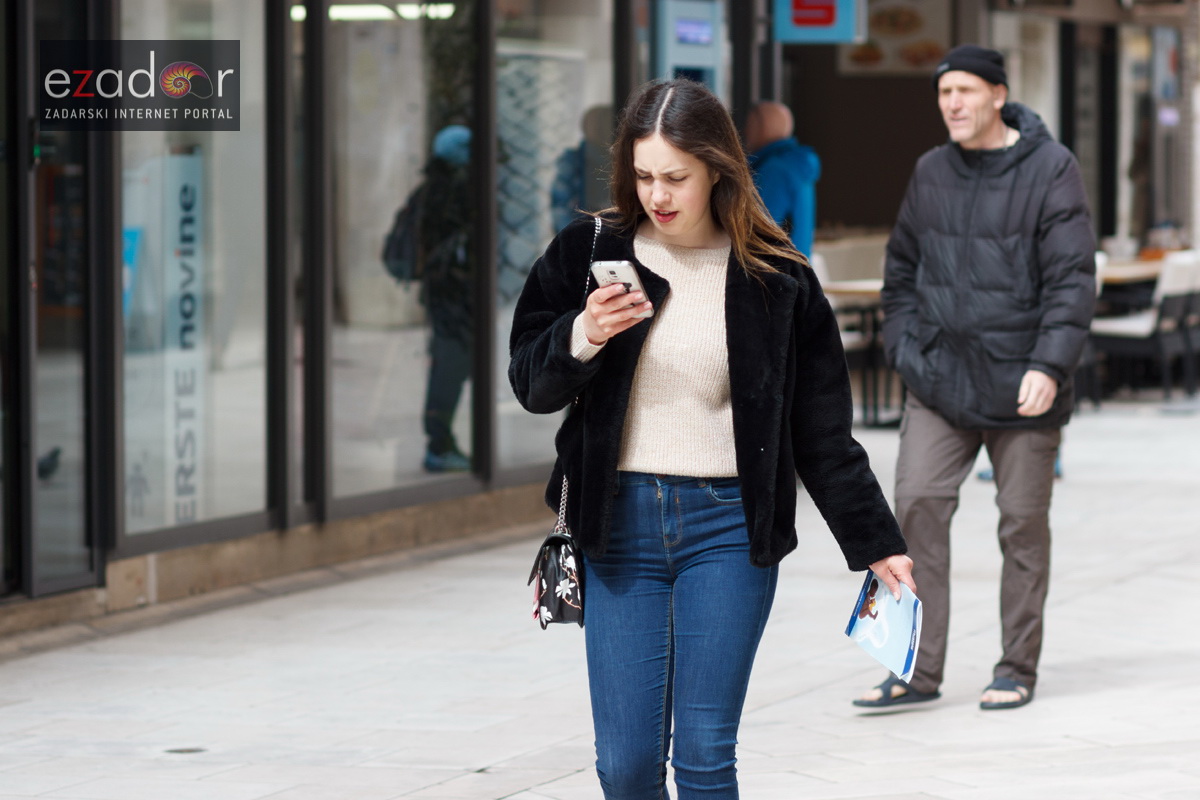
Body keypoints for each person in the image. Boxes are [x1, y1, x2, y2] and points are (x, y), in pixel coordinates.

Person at [510, 78, 914, 798]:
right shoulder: (588, 252)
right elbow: (530, 385)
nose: (657, 195)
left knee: (702, 756)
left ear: (717, 170)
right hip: (618, 522)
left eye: (675, 177)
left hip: (728, 528)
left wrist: (876, 540)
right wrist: (582, 334)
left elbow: (821, 428)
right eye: (642, 176)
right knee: (626, 765)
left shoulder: (775, 274)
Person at [855, 45, 1095, 712]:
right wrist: (905, 347)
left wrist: (1050, 365)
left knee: (1021, 525)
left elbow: (1072, 282)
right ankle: (914, 668)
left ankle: (1016, 666)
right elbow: (899, 270)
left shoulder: (1052, 169)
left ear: (998, 93)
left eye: (964, 90)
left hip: (1024, 385)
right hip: (939, 382)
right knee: (915, 508)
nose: (952, 104)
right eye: (943, 93)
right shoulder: (931, 170)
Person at [418, 124, 474, 472]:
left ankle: (440, 440)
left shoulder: (432, 186)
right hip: (453, 296)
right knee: (450, 368)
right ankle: (438, 443)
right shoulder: (453, 191)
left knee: (449, 365)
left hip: (442, 295)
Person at [743, 100, 821, 256]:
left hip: (775, 272)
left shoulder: (774, 171)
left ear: (761, 128)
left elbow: (758, 231)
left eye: (749, 124)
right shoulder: (797, 166)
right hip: (796, 271)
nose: (745, 132)